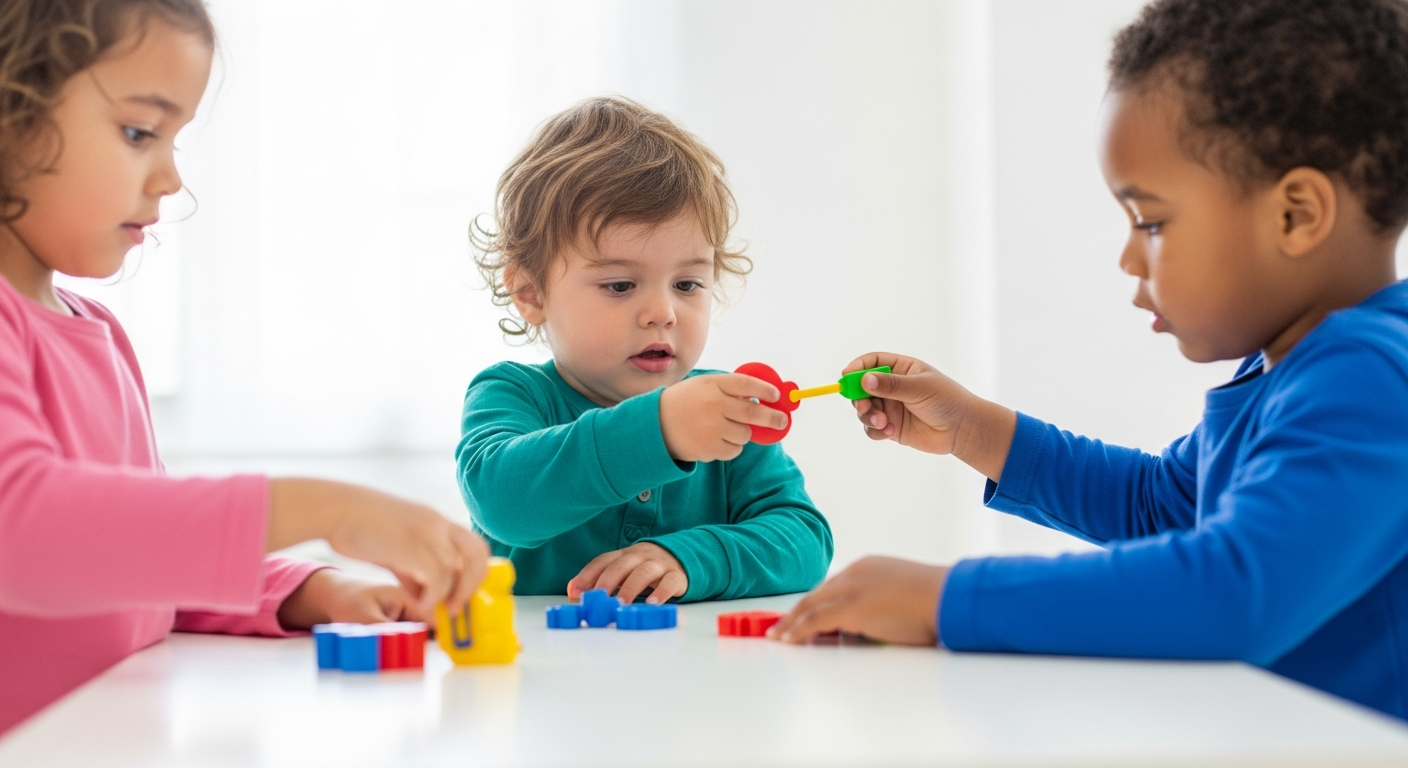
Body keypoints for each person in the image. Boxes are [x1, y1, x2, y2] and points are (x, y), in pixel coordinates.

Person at [771, 0, 1408, 720]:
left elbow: (1231, 591)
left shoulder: (1369, 379)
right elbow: (1162, 508)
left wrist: (944, 599)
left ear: (1296, 214)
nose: (1129, 257)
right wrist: (970, 430)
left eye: (1153, 222)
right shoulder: (1292, 369)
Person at [0, 0, 488, 735]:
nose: (170, 178)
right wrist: (326, 509)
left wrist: (311, 589)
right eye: (139, 132)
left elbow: (136, 556)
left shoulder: (96, 331)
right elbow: (28, 532)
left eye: (175, 140)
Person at [459, 96, 832, 605]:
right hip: (539, 680)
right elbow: (503, 503)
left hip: (693, 677)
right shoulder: (514, 394)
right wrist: (660, 431)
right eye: (619, 285)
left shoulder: (731, 411)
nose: (663, 313)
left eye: (687, 284)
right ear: (530, 293)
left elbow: (805, 542)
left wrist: (691, 557)